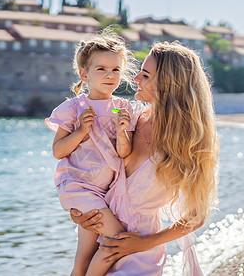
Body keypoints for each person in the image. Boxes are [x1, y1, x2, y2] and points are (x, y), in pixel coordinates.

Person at [70, 41, 220, 275]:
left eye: (146, 74)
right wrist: (79, 211)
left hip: (139, 254)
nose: (136, 78)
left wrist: (145, 243)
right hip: (98, 240)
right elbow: (90, 170)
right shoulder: (131, 119)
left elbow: (197, 215)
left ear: (169, 83)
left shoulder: (188, 140)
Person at [45, 30, 138, 276]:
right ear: (84, 74)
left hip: (106, 193)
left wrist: (122, 132)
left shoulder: (122, 108)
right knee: (119, 239)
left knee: (84, 258)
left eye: (116, 70)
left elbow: (124, 153)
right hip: (78, 188)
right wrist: (80, 131)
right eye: (101, 69)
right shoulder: (74, 108)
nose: (110, 75)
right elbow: (58, 151)